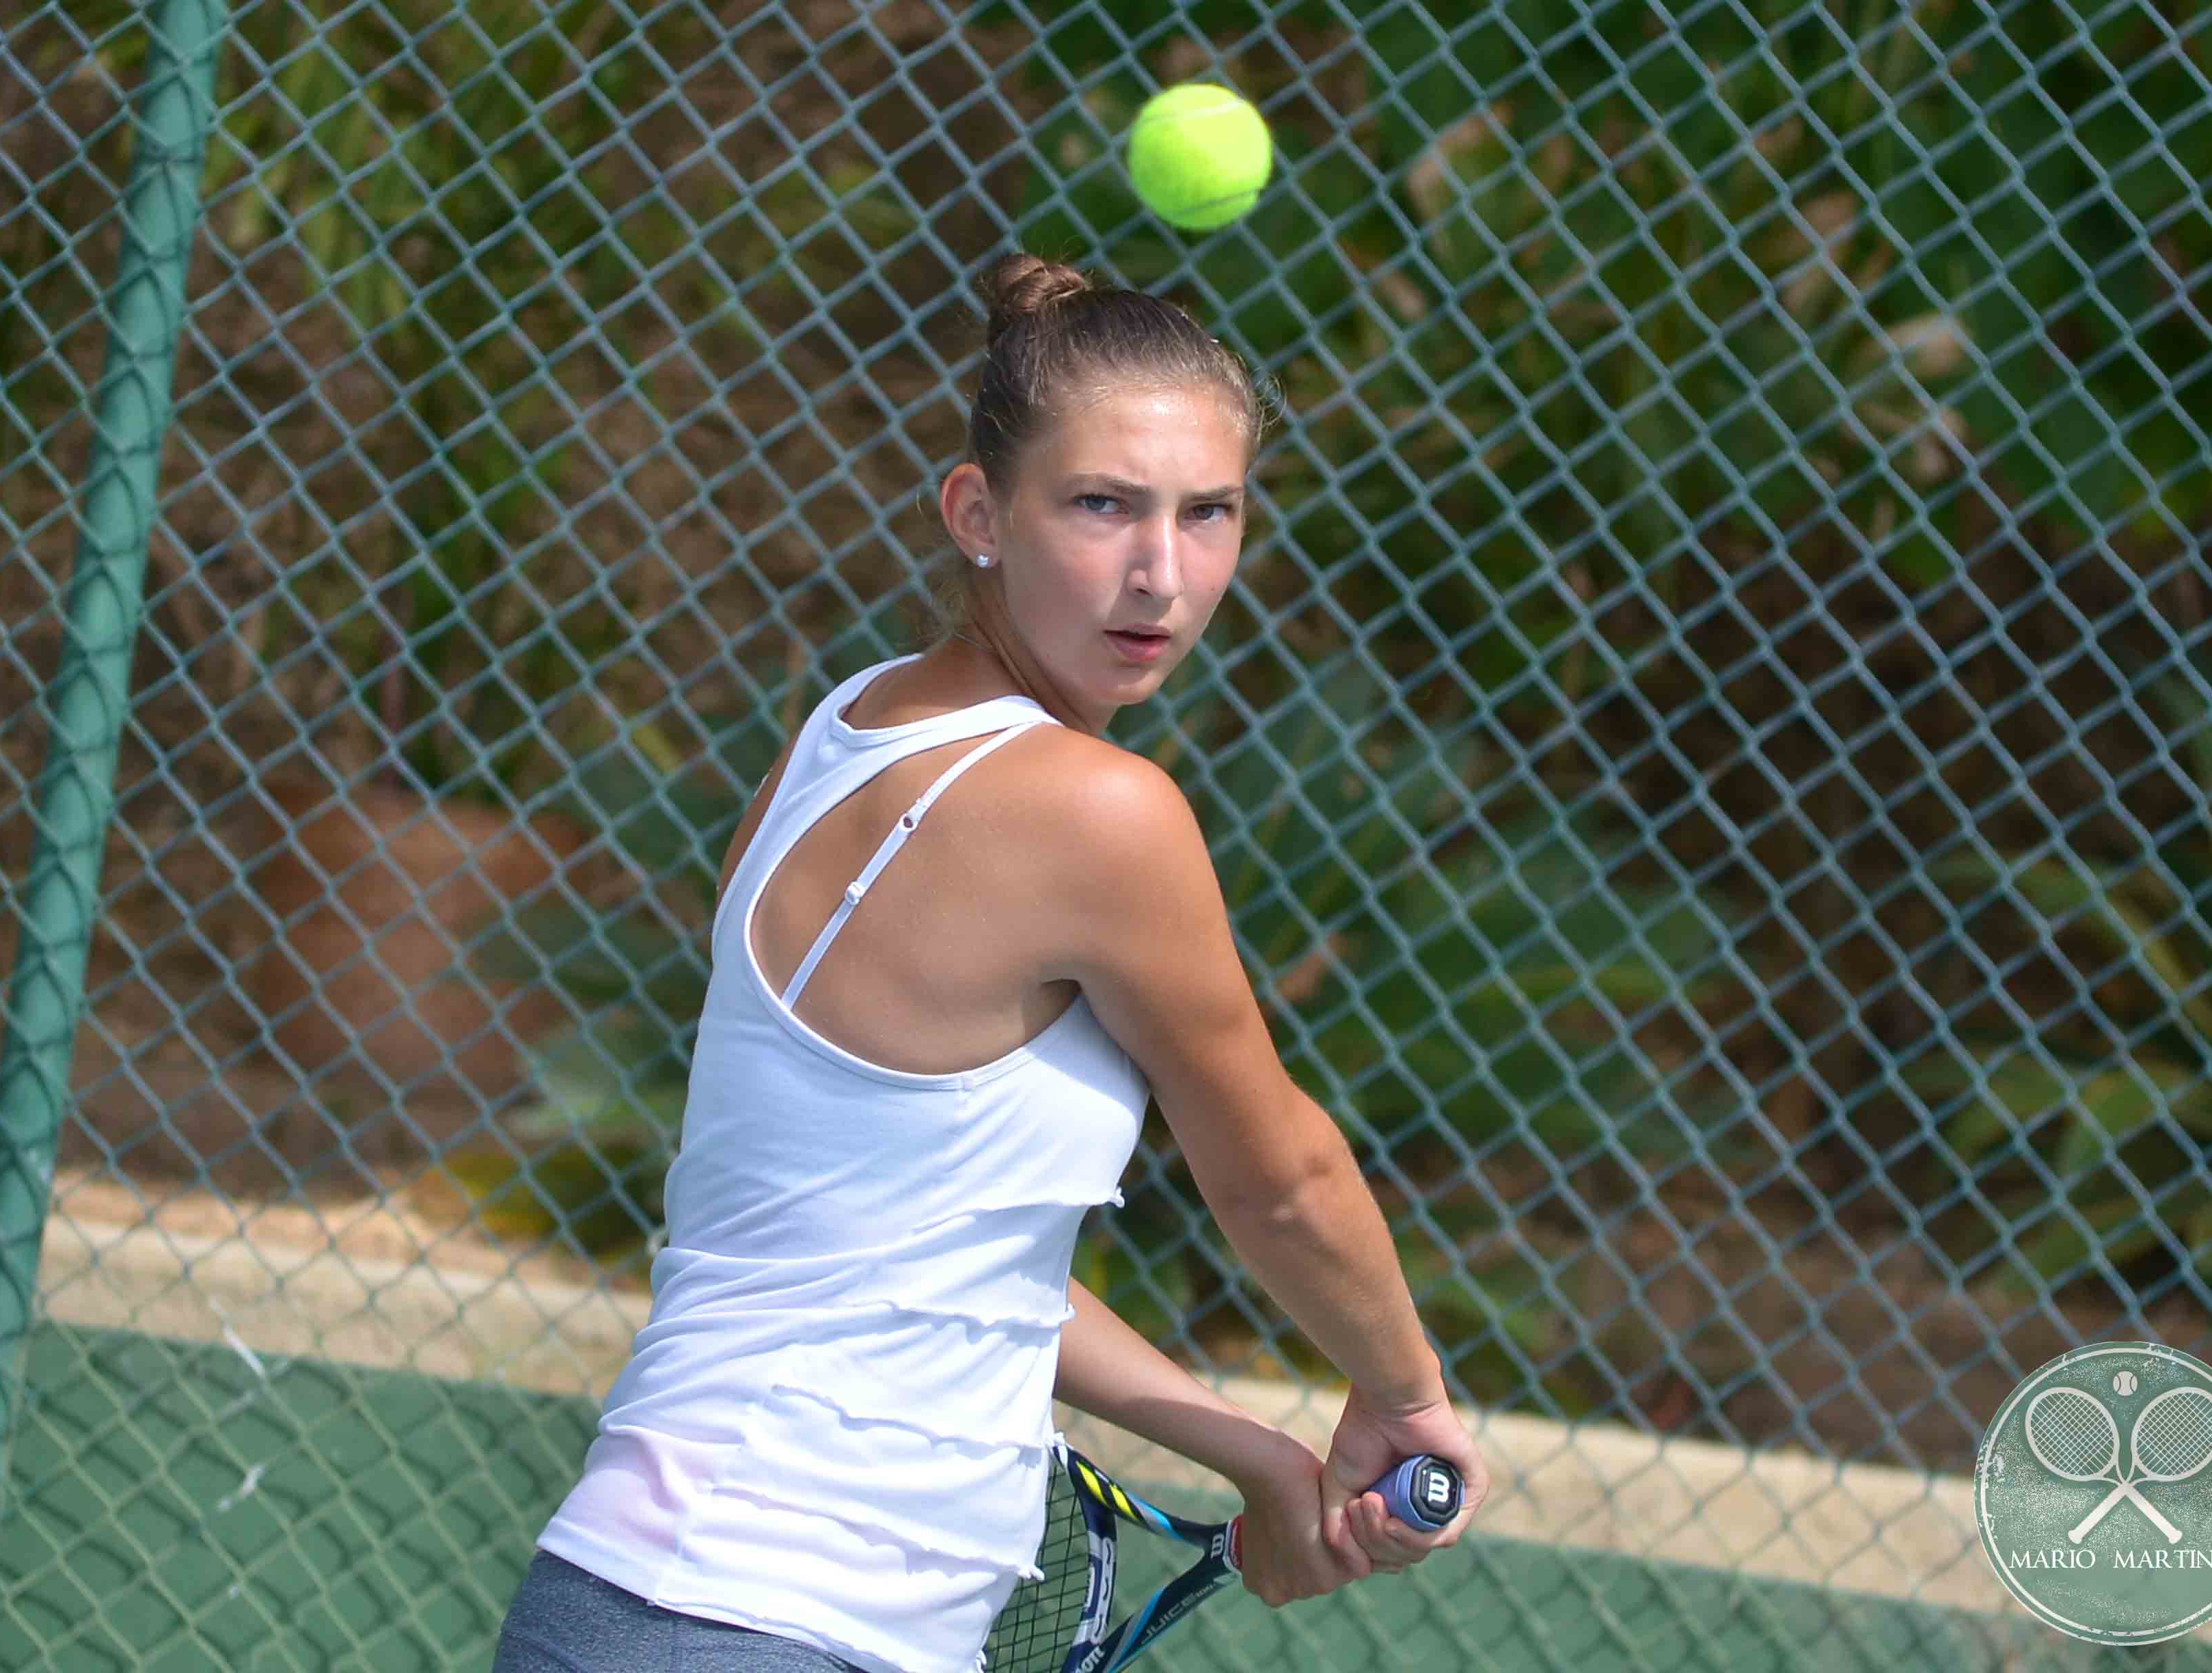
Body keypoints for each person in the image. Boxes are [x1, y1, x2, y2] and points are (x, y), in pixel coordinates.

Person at [493, 252, 1490, 1673]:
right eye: (1101, 506)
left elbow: (925, 1252)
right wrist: (1405, 1393)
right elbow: (1281, 1184)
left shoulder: (838, 733)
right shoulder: (1103, 813)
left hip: (624, 1604)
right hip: (767, 1628)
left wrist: (1257, 1453)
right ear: (978, 513)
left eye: (1207, 513)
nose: (1161, 571)